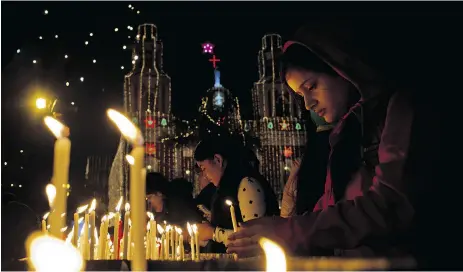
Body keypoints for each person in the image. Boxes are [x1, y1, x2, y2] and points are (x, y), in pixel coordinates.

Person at [227, 24, 431, 260]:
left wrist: (287, 231)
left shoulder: (402, 108)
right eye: (300, 95)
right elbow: (328, 211)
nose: (308, 104)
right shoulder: (345, 135)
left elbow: (389, 205)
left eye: (311, 86)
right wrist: (276, 233)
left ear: (341, 68)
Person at [194, 136, 280, 253]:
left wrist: (213, 233)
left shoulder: (248, 184)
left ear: (218, 160)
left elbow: (253, 237)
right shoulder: (225, 188)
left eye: (204, 168)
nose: (204, 175)